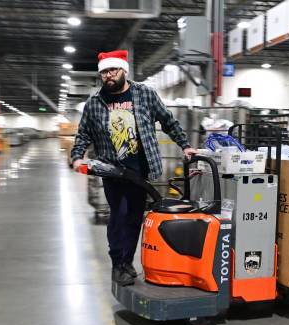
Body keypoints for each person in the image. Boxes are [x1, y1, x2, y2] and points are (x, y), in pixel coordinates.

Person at [71, 50, 197, 286]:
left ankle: (127, 261)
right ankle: (117, 263)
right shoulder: (95, 102)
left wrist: (185, 145)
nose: (108, 76)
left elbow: (168, 120)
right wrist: (77, 157)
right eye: (104, 72)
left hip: (140, 171)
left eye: (113, 70)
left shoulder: (145, 94)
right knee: (117, 217)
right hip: (112, 170)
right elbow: (83, 134)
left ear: (123, 71)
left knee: (134, 218)